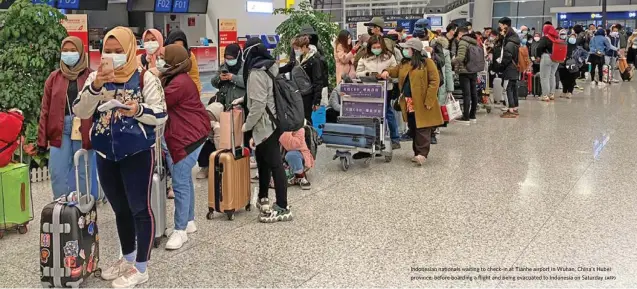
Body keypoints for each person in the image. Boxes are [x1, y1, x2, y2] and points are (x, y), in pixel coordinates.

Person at [72, 26, 166, 288]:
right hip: (105, 153)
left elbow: (160, 114)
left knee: (140, 209)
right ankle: (128, 257)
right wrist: (98, 84)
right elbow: (80, 109)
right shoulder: (96, 78)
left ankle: (142, 267)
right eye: (107, 51)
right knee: (120, 210)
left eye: (118, 51)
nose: (112, 56)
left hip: (136, 152)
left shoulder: (146, 78)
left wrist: (138, 110)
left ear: (129, 51)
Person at [158, 44, 210, 250]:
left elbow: (159, 102)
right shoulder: (177, 78)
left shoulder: (178, 83)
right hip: (193, 132)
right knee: (185, 179)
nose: (159, 61)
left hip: (188, 137)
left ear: (172, 61)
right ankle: (189, 221)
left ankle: (180, 230)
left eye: (162, 58)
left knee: (179, 181)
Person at [37, 36, 95, 199]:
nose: (68, 54)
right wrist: (41, 140)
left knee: (83, 171)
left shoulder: (91, 76)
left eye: (73, 50)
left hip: (83, 128)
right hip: (59, 130)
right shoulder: (53, 78)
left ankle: (84, 209)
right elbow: (45, 109)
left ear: (81, 52)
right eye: (65, 50)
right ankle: (61, 207)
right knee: (57, 171)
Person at [242, 37, 291, 223]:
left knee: (274, 163)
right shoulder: (270, 67)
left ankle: (282, 205)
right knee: (263, 160)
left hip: (264, 125)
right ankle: (263, 196)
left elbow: (258, 105)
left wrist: (247, 126)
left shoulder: (256, 73)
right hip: (274, 121)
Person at [382, 38, 442, 165]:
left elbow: (434, 81)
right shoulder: (404, 64)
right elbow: (395, 71)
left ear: (414, 50)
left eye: (407, 48)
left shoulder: (427, 63)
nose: (404, 51)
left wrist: (429, 99)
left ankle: (422, 154)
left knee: (423, 127)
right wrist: (386, 71)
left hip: (423, 101)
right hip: (408, 101)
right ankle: (417, 152)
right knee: (413, 126)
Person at [356, 35, 400, 149]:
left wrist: (387, 75)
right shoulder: (364, 58)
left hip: (386, 88)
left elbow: (396, 73)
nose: (376, 49)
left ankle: (395, 139)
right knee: (372, 114)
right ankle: (374, 138)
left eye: (378, 47)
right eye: (374, 47)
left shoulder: (389, 57)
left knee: (387, 113)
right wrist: (368, 74)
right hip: (370, 89)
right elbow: (358, 73)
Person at [292, 36, 326, 125]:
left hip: (309, 95)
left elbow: (318, 81)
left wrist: (316, 101)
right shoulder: (299, 58)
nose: (296, 50)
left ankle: (309, 137)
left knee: (307, 119)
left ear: (304, 47)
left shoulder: (314, 60)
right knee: (300, 119)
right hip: (299, 93)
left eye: (297, 48)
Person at [452, 27, 479, 124]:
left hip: (464, 71)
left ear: (461, 34)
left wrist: (451, 62)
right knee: (474, 93)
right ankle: (473, 115)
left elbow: (460, 57)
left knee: (466, 94)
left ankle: (466, 117)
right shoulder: (474, 41)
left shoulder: (463, 42)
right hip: (474, 70)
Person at [497, 18, 521, 118]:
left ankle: (510, 110)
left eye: (501, 27)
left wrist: (501, 65)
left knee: (508, 89)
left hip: (509, 68)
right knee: (514, 88)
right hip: (515, 68)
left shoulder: (509, 43)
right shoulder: (515, 40)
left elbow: (507, 57)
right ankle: (515, 107)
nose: (500, 29)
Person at [165, 29, 202, 94]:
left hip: (184, 93)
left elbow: (194, 77)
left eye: (181, 47)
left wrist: (196, 94)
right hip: (166, 92)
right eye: (175, 47)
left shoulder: (189, 56)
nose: (178, 50)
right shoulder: (163, 55)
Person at [196, 102, 222, 179]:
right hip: (209, 142)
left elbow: (219, 147)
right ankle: (205, 166)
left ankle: (215, 166)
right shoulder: (202, 121)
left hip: (218, 145)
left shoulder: (219, 125)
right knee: (202, 147)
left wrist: (217, 129)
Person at [535, 24, 560, 101]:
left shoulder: (545, 38)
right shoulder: (557, 38)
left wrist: (538, 56)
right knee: (552, 76)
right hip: (556, 58)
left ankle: (545, 95)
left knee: (544, 77)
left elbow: (539, 47)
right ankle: (552, 94)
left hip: (547, 57)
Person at [559, 31, 586, 99]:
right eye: (571, 37)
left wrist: (580, 59)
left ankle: (570, 92)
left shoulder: (578, 48)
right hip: (563, 64)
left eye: (574, 37)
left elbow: (585, 54)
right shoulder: (564, 45)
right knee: (563, 78)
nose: (572, 38)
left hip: (573, 65)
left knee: (571, 79)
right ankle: (564, 91)